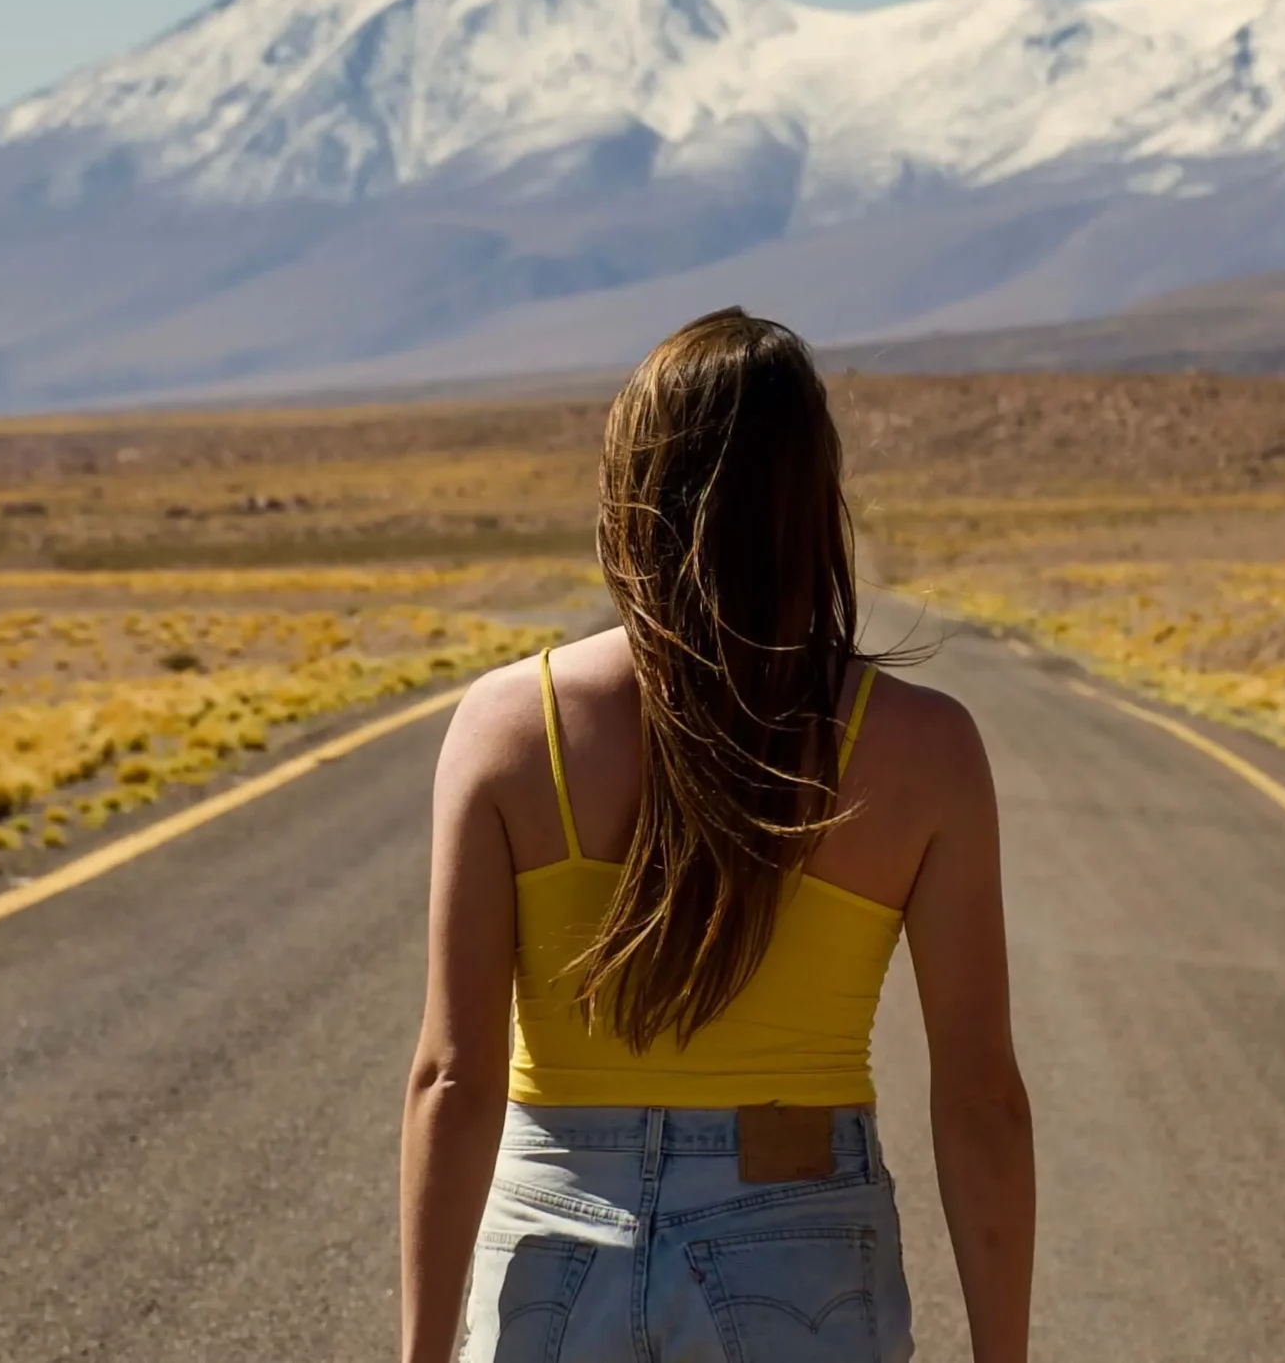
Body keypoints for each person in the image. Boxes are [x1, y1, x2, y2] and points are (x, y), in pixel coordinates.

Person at [399, 308, 1035, 1362]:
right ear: (811, 497)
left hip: (555, 1241)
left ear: (629, 487)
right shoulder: (925, 747)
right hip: (801, 1240)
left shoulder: (509, 726)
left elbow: (452, 1079)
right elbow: (979, 1099)